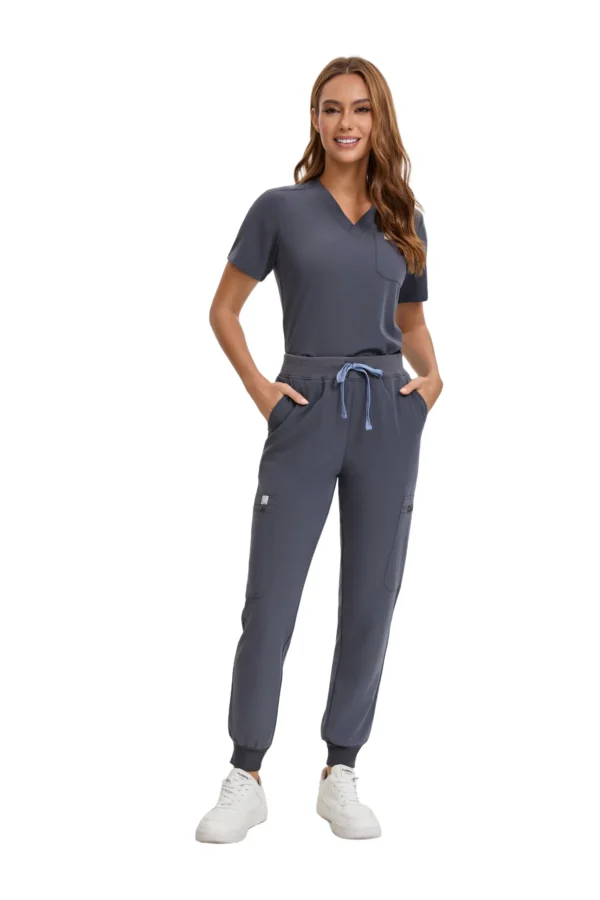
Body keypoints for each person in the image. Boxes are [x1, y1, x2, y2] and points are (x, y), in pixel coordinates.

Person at [195, 56, 443, 843]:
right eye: (332, 108)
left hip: (387, 416)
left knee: (371, 595)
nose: (346, 123)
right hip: (303, 411)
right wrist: (263, 391)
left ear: (379, 119)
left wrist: (433, 381)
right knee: (271, 599)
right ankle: (246, 774)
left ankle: (342, 769)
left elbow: (410, 321)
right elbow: (224, 309)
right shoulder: (281, 209)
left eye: (361, 109)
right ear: (315, 118)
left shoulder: (403, 215)